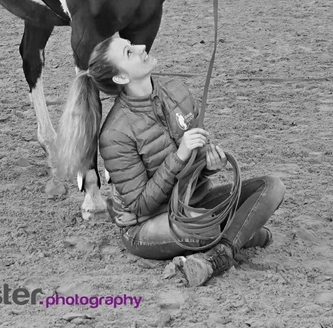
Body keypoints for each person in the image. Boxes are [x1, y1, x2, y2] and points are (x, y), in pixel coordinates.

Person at [57, 36, 285, 287]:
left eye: (132, 44)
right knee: (205, 228)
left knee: (272, 186)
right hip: (144, 226)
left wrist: (208, 166)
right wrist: (179, 156)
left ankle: (223, 249)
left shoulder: (176, 89)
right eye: (129, 52)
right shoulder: (115, 134)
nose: (141, 48)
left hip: (192, 202)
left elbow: (197, 155)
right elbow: (140, 206)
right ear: (121, 78)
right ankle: (234, 240)